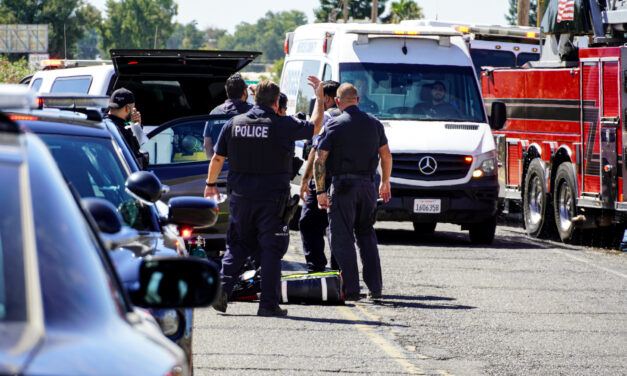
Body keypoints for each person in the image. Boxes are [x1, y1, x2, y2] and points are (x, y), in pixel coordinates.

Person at [204, 78, 325, 316]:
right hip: (272, 201)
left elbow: (217, 159)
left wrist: (210, 185)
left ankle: (222, 289)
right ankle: (268, 304)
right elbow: (316, 125)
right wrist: (319, 98)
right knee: (271, 250)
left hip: (241, 198)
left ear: (253, 99)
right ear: (276, 101)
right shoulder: (282, 124)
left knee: (237, 246)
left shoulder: (234, 124)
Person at [314, 83, 392, 301]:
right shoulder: (375, 124)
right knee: (366, 235)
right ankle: (375, 289)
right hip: (368, 188)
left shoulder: (335, 125)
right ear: (357, 100)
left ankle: (351, 290)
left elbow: (320, 160)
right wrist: (385, 182)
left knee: (342, 237)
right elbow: (386, 155)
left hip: (344, 187)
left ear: (337, 102)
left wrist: (320, 190)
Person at [299, 80, 341, 273]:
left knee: (309, 223)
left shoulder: (326, 119)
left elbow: (315, 153)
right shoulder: (355, 118)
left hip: (323, 179)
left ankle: (316, 270)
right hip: (346, 181)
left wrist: (305, 181)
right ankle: (340, 273)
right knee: (337, 227)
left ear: (328, 98)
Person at [203, 73, 253, 159]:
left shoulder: (214, 112)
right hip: (245, 167)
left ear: (227, 92)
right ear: (245, 92)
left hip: (220, 166)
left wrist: (214, 164)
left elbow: (207, 145)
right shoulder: (252, 111)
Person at [104, 88, 147, 169]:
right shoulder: (121, 132)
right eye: (133, 108)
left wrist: (137, 126)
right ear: (128, 108)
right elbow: (134, 155)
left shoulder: (99, 124)